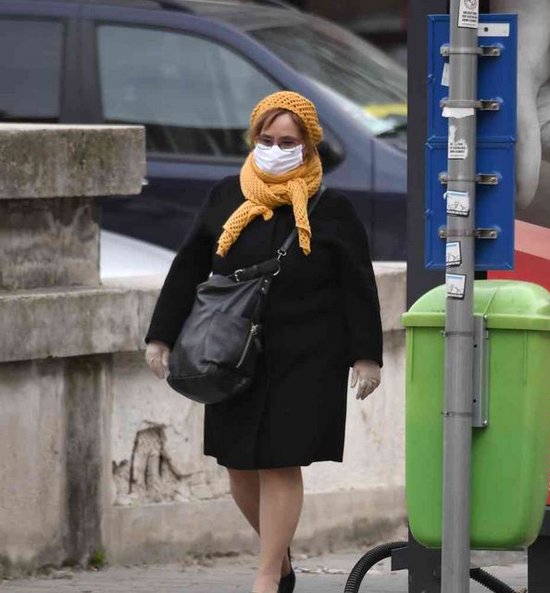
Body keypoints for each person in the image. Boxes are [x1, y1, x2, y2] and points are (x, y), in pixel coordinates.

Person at [142, 91, 383, 593]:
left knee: (279, 459)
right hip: (230, 352)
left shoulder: (332, 208)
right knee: (237, 467)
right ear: (254, 139)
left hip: (307, 353)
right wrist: (160, 336)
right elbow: (189, 265)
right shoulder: (226, 195)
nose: (276, 148)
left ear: (309, 145)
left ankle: (268, 574)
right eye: (267, 140)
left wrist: (366, 356)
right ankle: (283, 560)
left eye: (288, 141)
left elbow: (358, 283)